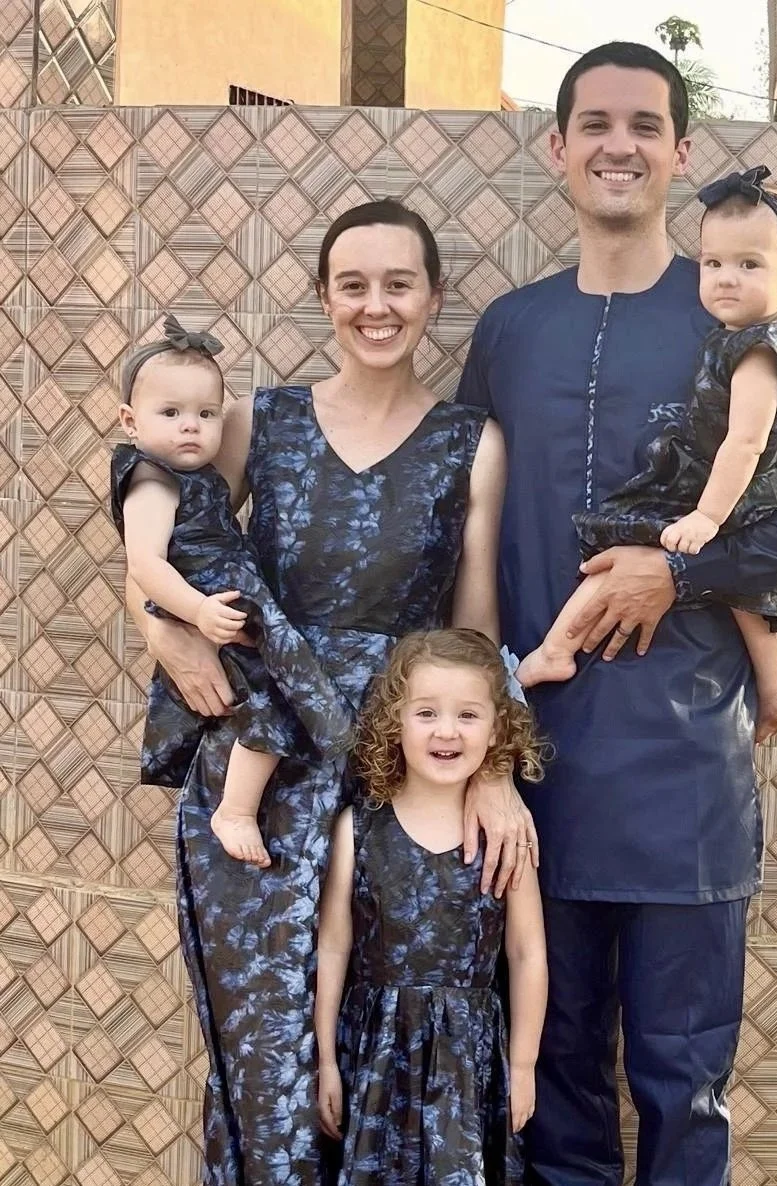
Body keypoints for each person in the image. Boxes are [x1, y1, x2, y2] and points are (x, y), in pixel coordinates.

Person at [457, 42, 777, 1186]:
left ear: (680, 152)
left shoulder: (740, 316)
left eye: (645, 124)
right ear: (556, 149)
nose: (618, 144)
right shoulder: (509, 329)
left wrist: (679, 575)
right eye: (594, 122)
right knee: (553, 1079)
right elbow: (463, 522)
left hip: (686, 766)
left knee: (683, 1083)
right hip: (532, 764)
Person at [124, 200, 537, 1186]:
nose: (376, 304)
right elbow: (161, 544)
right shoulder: (251, 419)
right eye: (353, 284)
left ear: (433, 297)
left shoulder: (469, 440)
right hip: (259, 773)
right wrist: (162, 628)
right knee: (266, 1054)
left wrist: (498, 774)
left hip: (401, 779)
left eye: (399, 283)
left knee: (389, 1045)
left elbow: (475, 634)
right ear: (323, 296)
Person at [516, 166, 777, 744]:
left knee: (619, 547)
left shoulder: (754, 352)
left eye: (748, 265)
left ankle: (554, 649)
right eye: (713, 264)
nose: (724, 280)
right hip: (748, 488)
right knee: (755, 593)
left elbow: (743, 442)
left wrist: (706, 516)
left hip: (721, 487)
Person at [113, 314, 352, 868]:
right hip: (206, 606)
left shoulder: (194, 475)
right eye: (170, 414)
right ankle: (235, 811)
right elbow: (145, 563)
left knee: (285, 695)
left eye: (204, 414)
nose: (190, 427)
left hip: (229, 599)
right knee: (271, 703)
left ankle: (321, 755)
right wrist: (196, 612)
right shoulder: (151, 480)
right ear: (130, 420)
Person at [316, 629, 548, 1184]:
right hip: (374, 1053)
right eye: (426, 712)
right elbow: (333, 945)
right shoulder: (357, 830)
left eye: (468, 715)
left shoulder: (505, 838)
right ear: (395, 721)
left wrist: (523, 1063)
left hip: (469, 1063)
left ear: (497, 731)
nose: (447, 730)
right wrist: (325, 1058)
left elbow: (527, 951)